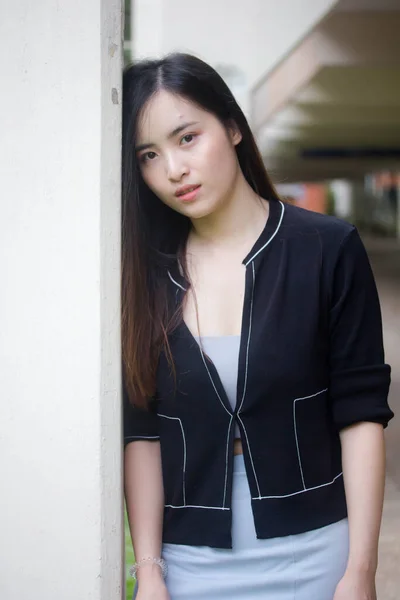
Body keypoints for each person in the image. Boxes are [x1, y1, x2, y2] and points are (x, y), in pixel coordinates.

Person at [121, 53, 394, 600]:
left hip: (315, 554)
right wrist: (149, 572)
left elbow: (360, 416)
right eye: (149, 155)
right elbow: (143, 432)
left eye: (187, 138)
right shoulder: (142, 274)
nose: (173, 169)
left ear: (233, 126)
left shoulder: (327, 249)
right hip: (189, 563)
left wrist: (359, 572)